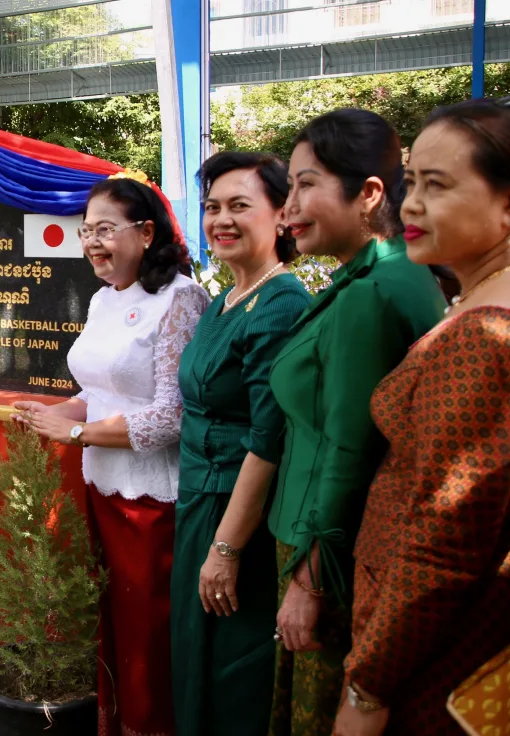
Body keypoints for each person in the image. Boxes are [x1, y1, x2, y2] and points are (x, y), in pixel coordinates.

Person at [331, 99, 510, 736]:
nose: (409, 205)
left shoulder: (489, 334)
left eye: (436, 186)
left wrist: (368, 688)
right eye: (411, 182)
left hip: (433, 658)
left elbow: (444, 542)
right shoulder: (484, 298)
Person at [266, 109, 447, 736]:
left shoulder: (374, 291)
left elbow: (351, 447)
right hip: (335, 542)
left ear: (369, 193)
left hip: (332, 553)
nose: (288, 206)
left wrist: (310, 582)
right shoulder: (382, 277)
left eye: (305, 184)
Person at [13, 177, 208, 736]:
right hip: (101, 488)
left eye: (105, 230)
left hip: (153, 504)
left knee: (151, 636)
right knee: (117, 630)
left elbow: (173, 417)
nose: (93, 243)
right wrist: (54, 413)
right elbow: (97, 394)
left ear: (146, 233)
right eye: (87, 231)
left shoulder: (180, 299)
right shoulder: (102, 299)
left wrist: (76, 435)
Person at [171, 152, 311, 735]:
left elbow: (269, 438)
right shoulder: (229, 297)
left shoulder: (280, 305)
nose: (220, 219)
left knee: (231, 672)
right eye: (211, 207)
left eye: (239, 206)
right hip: (198, 501)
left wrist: (225, 550)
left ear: (281, 215)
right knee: (193, 660)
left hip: (238, 515)